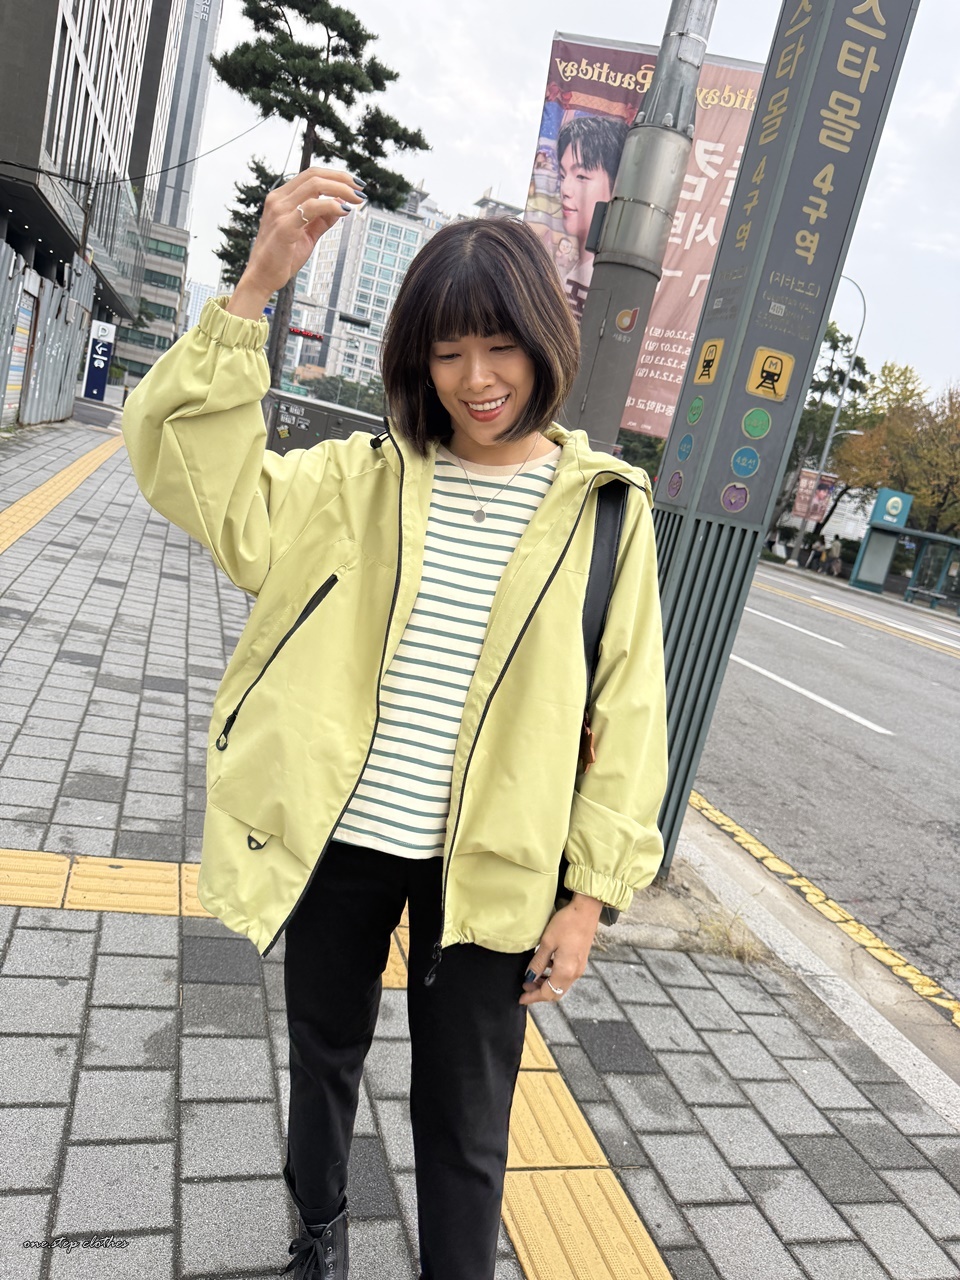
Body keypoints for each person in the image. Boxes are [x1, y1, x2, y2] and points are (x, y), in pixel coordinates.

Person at [121, 166, 668, 1280]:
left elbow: (630, 712)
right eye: (449, 351)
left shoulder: (607, 511)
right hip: (345, 835)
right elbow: (191, 476)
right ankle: (316, 1236)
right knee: (323, 1053)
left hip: (496, 862)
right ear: (418, 357)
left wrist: (590, 896)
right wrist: (254, 291)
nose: (478, 379)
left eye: (501, 346)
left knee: (466, 1109)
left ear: (544, 342)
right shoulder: (354, 480)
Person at [555, 114, 629, 317]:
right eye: (562, 175)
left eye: (581, 176)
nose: (565, 189)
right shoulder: (570, 268)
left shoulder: (612, 279)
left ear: (618, 185)